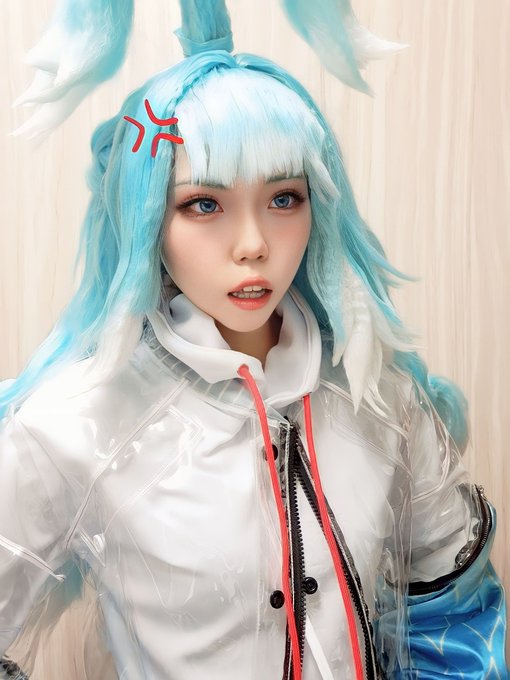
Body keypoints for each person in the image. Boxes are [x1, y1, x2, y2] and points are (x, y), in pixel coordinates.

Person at [0, 1, 507, 678]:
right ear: (146, 219)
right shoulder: (75, 423)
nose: (253, 244)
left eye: (284, 198)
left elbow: (456, 613)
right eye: (203, 204)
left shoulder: (379, 395)